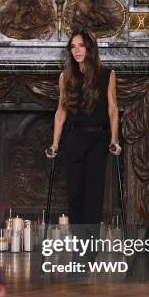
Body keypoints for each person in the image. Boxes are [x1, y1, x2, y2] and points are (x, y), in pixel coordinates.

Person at [46, 28, 120, 226]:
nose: (77, 51)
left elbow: (113, 109)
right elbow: (61, 111)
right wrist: (55, 143)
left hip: (98, 140)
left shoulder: (107, 75)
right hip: (74, 140)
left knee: (93, 197)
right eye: (73, 47)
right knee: (75, 195)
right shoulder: (66, 77)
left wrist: (114, 139)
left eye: (81, 46)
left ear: (90, 48)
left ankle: (89, 253)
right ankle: (78, 252)